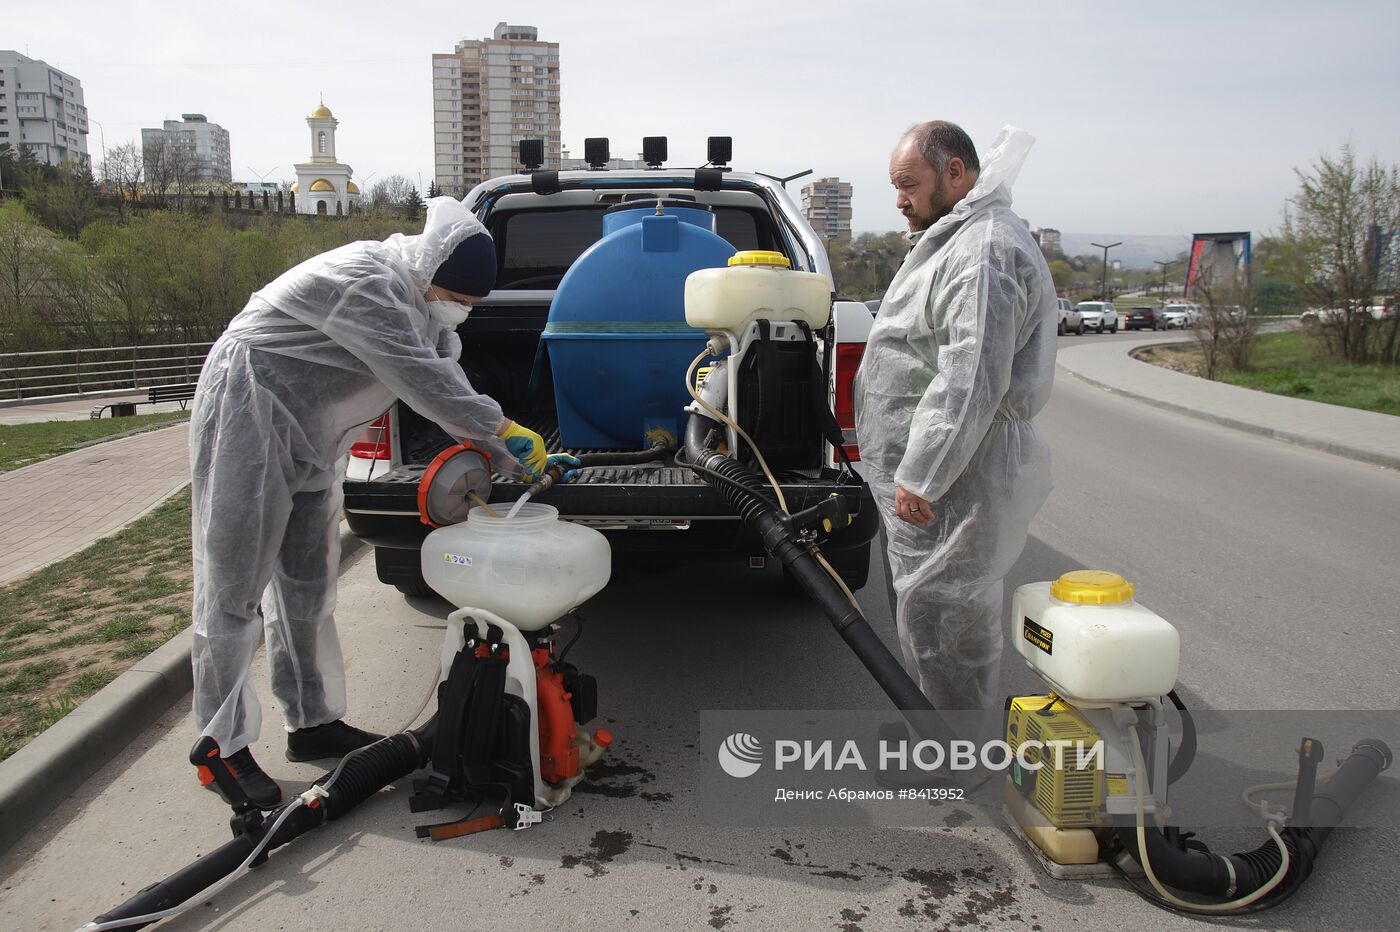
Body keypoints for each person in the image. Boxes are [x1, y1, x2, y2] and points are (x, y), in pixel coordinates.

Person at [189, 196, 579, 807]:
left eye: (472, 304)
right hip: (249, 411)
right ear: (430, 276)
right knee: (234, 585)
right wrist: (504, 430)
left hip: (309, 434)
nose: (462, 312)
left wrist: (517, 456)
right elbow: (422, 382)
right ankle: (221, 747)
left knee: (308, 582)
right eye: (458, 298)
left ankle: (312, 721)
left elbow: (449, 383)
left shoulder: (422, 307)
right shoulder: (364, 283)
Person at [854, 122, 1056, 712]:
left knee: (949, 618)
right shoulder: (959, 238)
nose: (900, 200)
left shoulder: (984, 251)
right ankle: (936, 734)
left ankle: (957, 757)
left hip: (961, 471)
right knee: (926, 610)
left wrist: (926, 471)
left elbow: (971, 376)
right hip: (945, 471)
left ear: (955, 173)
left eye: (909, 185)